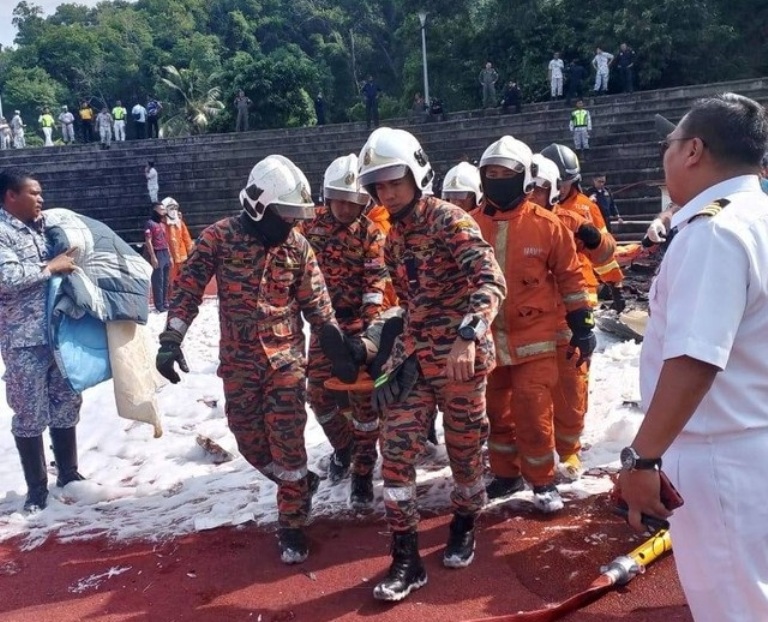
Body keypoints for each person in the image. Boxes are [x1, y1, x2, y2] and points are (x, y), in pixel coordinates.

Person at [618, 93, 768, 621]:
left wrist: (642, 458)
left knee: (733, 604)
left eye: (670, 142)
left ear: (694, 151)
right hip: (753, 439)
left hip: (720, 455)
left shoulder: (714, 231)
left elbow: (695, 360)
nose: (665, 155)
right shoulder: (758, 215)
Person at [155, 155, 338, 565]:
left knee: (288, 442)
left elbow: (320, 310)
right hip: (239, 362)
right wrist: (172, 338)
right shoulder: (219, 237)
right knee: (249, 440)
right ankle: (300, 485)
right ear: (259, 206)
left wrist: (336, 351)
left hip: (286, 361)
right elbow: (188, 290)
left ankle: (292, 522)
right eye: (285, 214)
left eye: (296, 215)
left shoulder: (298, 246)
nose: (291, 223)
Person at [356, 127, 506, 601]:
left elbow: (490, 280)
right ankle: (406, 559)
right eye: (377, 185)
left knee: (465, 455)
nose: (387, 191)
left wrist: (468, 335)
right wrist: (383, 347)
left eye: (393, 180)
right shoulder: (393, 240)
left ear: (417, 173)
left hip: (461, 361)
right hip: (417, 361)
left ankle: (464, 521)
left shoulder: (451, 221)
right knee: (395, 453)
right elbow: (409, 304)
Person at [472, 136, 592, 512]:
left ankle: (543, 480)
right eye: (491, 174)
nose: (498, 180)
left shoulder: (547, 225)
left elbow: (571, 277)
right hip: (488, 341)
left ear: (524, 178)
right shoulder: (469, 225)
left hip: (536, 339)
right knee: (497, 411)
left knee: (533, 408)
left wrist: (582, 324)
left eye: (506, 174)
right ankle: (505, 474)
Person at [300, 154, 388, 507]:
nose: (346, 208)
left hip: (358, 329)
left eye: (354, 202)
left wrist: (366, 332)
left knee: (366, 406)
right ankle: (343, 446)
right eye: (339, 200)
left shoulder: (370, 233)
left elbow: (376, 279)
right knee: (318, 395)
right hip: (323, 328)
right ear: (327, 196)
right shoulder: (308, 228)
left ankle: (364, 473)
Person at [0, 168, 84, 513]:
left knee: (66, 403)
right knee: (29, 411)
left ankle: (70, 474)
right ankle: (37, 489)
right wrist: (51, 266)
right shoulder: (2, 233)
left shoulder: (43, 227)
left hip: (57, 335)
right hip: (23, 341)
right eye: (34, 193)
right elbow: (7, 279)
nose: (41, 199)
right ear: (11, 196)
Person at [529, 154, 614, 480]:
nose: (533, 194)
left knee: (571, 384)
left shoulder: (570, 219)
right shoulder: (513, 222)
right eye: (530, 187)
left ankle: (568, 450)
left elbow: (606, 251)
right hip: (529, 319)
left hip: (568, 315)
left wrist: (595, 239)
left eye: (541, 188)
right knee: (529, 389)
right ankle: (534, 447)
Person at [541, 143, 625, 310]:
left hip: (582, 290)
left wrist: (615, 285)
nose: (561, 189)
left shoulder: (586, 208)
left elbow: (604, 254)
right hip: (543, 292)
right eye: (557, 183)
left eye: (566, 183)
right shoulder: (533, 208)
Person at [160, 197, 194, 300]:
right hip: (171, 258)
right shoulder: (163, 225)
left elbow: (187, 238)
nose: (173, 211)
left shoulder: (180, 223)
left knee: (184, 277)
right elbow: (163, 241)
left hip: (182, 256)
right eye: (171, 208)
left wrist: (192, 252)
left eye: (175, 208)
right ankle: (172, 298)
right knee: (171, 279)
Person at [144, 202, 172, 313]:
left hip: (165, 252)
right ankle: (159, 304)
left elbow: (166, 240)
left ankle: (165, 302)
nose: (163, 212)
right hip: (157, 252)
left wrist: (169, 256)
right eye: (161, 210)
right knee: (158, 280)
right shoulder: (149, 224)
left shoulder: (163, 224)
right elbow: (148, 241)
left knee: (166, 280)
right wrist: (153, 256)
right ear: (155, 210)